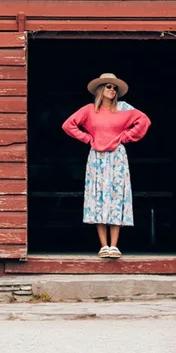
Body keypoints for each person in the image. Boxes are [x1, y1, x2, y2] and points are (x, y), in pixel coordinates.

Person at [62, 73, 151, 259]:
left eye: (114, 88)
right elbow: (68, 125)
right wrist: (87, 138)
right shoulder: (89, 110)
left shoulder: (123, 108)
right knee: (99, 196)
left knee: (116, 196)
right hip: (97, 157)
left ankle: (114, 245)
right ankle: (103, 246)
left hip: (117, 157)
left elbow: (144, 121)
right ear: (100, 89)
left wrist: (126, 137)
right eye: (108, 86)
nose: (112, 90)